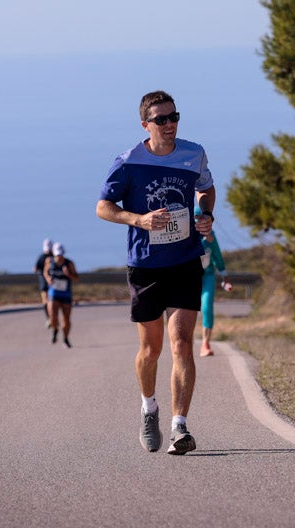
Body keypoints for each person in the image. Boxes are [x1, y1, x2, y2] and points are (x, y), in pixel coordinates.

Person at [97, 90, 215, 456]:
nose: (169, 124)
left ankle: (180, 426)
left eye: (174, 116)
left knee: (181, 342)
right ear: (145, 124)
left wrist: (206, 215)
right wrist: (139, 220)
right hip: (145, 265)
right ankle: (149, 408)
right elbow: (103, 207)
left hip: (184, 260)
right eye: (161, 119)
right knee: (151, 350)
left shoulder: (193, 153)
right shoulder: (128, 161)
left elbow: (206, 189)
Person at [194, 204, 230, 357]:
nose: (201, 222)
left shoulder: (211, 236)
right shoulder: (186, 236)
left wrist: (225, 277)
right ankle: (182, 342)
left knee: (207, 307)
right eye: (197, 219)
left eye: (204, 219)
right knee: (184, 310)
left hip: (207, 275)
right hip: (189, 277)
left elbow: (218, 257)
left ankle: (205, 343)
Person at [45, 241, 78, 348]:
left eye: (61, 254)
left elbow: (76, 278)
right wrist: (48, 279)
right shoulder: (49, 261)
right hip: (53, 293)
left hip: (66, 294)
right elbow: (45, 272)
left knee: (66, 319)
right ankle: (55, 329)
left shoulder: (69, 263)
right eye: (57, 254)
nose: (59, 257)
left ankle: (65, 338)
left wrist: (68, 274)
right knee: (53, 316)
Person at [34, 238, 52, 324]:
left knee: (45, 301)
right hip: (52, 282)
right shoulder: (54, 256)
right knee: (51, 301)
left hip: (43, 282)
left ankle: (49, 318)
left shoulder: (41, 257)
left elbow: (35, 269)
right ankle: (51, 318)